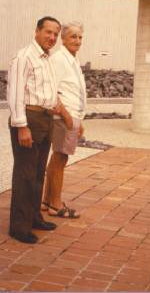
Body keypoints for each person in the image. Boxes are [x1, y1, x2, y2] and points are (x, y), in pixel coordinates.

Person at [7, 16, 62, 244]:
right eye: (48, 32)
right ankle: (19, 227)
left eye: (55, 34)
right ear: (37, 31)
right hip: (29, 119)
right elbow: (15, 93)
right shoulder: (24, 57)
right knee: (25, 174)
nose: (52, 37)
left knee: (39, 173)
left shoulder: (47, 59)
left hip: (45, 119)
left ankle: (34, 217)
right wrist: (22, 126)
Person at [42, 22, 86, 219]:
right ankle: (56, 205)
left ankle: (46, 200)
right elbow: (52, 91)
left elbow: (72, 90)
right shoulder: (59, 59)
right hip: (62, 117)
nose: (77, 40)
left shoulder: (71, 59)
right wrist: (68, 117)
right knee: (61, 158)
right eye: (73, 37)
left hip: (71, 116)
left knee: (57, 158)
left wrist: (79, 119)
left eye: (79, 37)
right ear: (64, 38)